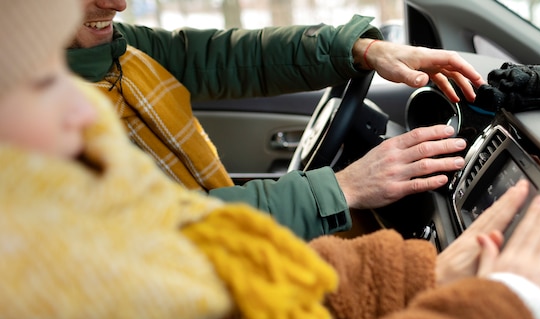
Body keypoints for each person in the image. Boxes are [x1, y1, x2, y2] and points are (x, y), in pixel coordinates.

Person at [1, 1, 540, 319]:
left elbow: (197, 272)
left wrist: (421, 276)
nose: (87, 113)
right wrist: (497, 317)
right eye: (35, 81)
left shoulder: (57, 258)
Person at [67, 0, 486, 240]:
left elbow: (226, 57)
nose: (117, 3)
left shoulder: (116, 52)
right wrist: (342, 188)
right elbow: (145, 230)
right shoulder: (27, 117)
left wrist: (362, 51)